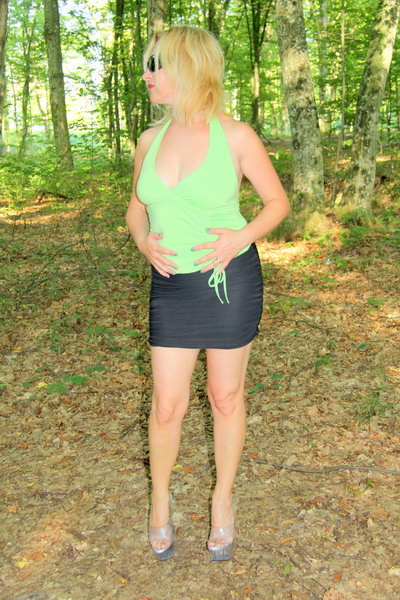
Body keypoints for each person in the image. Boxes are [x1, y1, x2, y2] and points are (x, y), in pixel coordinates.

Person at [125, 25, 290, 562]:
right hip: (171, 286)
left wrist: (241, 237)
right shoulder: (148, 141)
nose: (147, 76)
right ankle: (160, 501)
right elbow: (136, 208)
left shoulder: (236, 136)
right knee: (166, 405)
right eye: (147, 66)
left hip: (228, 283)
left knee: (225, 396)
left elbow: (276, 203)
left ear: (189, 66)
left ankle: (223, 500)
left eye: (156, 65)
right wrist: (144, 241)